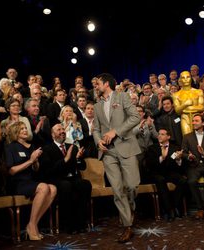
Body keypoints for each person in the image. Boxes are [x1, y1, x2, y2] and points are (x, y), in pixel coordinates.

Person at [93, 73, 141, 243]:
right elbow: (96, 128)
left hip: (126, 146)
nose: (95, 86)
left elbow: (136, 117)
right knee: (117, 189)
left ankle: (131, 208)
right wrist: (98, 140)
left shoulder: (122, 97)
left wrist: (116, 131)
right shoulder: (97, 105)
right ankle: (128, 226)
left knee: (132, 186)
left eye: (97, 83)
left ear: (106, 84)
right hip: (108, 152)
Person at [4, 121, 57, 240]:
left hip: (30, 181)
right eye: (21, 128)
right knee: (43, 187)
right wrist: (30, 160)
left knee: (53, 188)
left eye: (25, 128)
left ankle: (32, 224)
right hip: (17, 182)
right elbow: (11, 171)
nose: (25, 130)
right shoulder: (10, 147)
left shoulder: (31, 146)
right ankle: (32, 226)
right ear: (15, 132)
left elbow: (36, 169)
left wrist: (36, 161)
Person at [39, 123, 92, 234]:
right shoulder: (47, 149)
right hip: (56, 179)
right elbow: (49, 170)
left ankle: (81, 222)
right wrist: (66, 159)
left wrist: (78, 158)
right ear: (53, 135)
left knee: (85, 184)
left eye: (63, 129)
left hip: (72, 178)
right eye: (59, 129)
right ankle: (68, 225)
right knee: (66, 186)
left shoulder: (71, 146)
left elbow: (82, 166)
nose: (62, 131)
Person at [146, 128, 186, 221]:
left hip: (170, 172)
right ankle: (169, 210)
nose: (159, 136)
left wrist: (178, 159)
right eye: (159, 134)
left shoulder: (175, 148)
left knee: (183, 180)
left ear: (168, 136)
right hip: (157, 173)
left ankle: (174, 206)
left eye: (162, 134)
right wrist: (162, 158)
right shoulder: (152, 148)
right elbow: (150, 164)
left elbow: (179, 166)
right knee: (161, 180)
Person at [172, 70, 204, 135]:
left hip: (197, 117)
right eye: (183, 78)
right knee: (187, 138)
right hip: (185, 118)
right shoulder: (176, 95)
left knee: (199, 138)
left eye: (188, 77)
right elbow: (177, 111)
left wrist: (186, 109)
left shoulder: (198, 91)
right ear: (180, 80)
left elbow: (201, 107)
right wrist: (185, 104)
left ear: (191, 78)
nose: (186, 79)